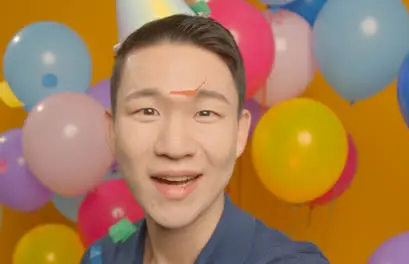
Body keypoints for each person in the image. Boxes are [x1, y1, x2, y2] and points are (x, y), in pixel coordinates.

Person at [80, 14, 329, 264]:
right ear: (112, 132)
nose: (174, 147)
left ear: (239, 133)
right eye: (147, 111)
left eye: (205, 113)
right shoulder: (101, 257)